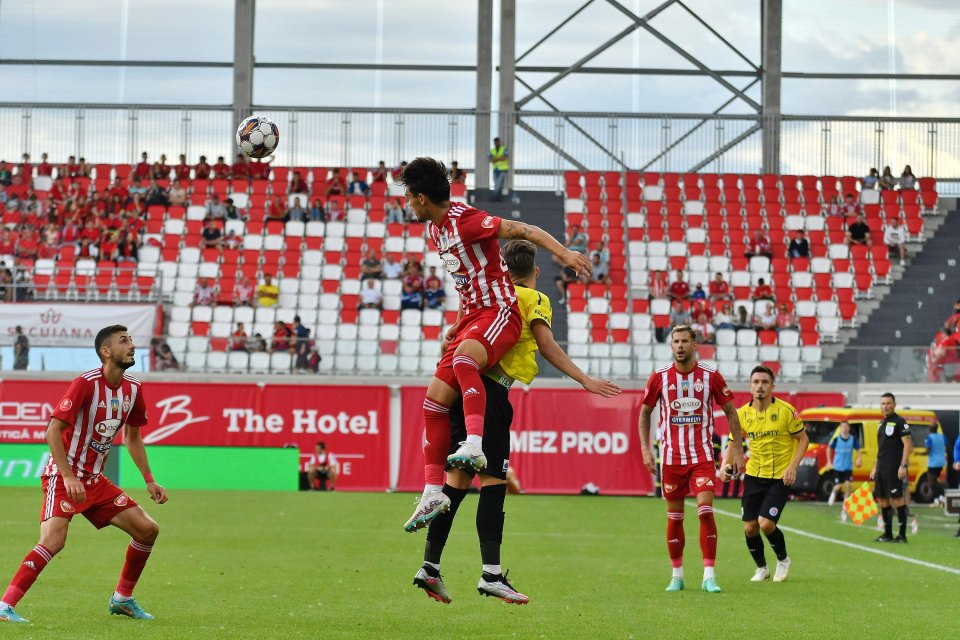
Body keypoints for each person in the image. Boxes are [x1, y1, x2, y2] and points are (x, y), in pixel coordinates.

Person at [413, 239, 620, 604]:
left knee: (456, 485)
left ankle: (429, 566)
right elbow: (546, 344)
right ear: (536, 272)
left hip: (463, 391)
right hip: (491, 394)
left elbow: (457, 338)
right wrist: (584, 379)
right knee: (494, 483)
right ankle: (491, 574)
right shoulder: (531, 299)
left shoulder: (486, 297)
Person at [398, 157, 590, 532]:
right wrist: (455, 325)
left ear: (422, 198)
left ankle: (473, 443)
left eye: (408, 196)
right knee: (433, 402)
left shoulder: (465, 219)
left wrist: (564, 253)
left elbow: (526, 229)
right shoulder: (437, 232)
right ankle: (432, 490)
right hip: (473, 314)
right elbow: (465, 282)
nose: (406, 203)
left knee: (465, 361)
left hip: (499, 308)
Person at [0, 325, 168, 624]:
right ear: (106, 351)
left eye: (130, 340)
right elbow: (53, 431)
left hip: (95, 482)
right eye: (123, 341)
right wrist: (68, 476)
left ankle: (122, 599)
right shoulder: (85, 383)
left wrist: (149, 478)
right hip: (63, 477)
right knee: (54, 540)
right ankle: (4, 606)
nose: (132, 345)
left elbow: (132, 437)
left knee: (147, 529)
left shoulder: (133, 388)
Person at [638, 326, 745, 593]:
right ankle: (677, 575)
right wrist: (645, 449)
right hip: (672, 458)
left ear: (695, 344)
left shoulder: (711, 376)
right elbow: (644, 413)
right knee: (674, 518)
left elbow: (732, 413)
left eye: (685, 341)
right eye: (676, 341)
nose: (680, 346)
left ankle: (709, 574)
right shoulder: (660, 377)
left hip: (702, 457)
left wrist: (740, 451)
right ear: (671, 345)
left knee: (705, 511)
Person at [728, 366, 808, 583]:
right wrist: (726, 465)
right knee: (750, 527)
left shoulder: (785, 411)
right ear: (749, 386)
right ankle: (762, 568)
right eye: (756, 382)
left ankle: (783, 560)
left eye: (764, 382)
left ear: (772, 386)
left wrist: (793, 466)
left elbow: (803, 439)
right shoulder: (742, 414)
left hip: (780, 476)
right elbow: (733, 441)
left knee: (766, 523)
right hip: (754, 475)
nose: (760, 386)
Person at [870, 393, 913, 543]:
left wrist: (903, 465)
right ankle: (887, 534)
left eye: (888, 403)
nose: (885, 406)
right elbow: (881, 448)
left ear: (894, 404)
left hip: (894, 467)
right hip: (881, 468)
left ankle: (902, 535)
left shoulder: (900, 422)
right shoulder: (881, 424)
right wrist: (875, 467)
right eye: (883, 403)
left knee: (897, 500)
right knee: (882, 500)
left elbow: (908, 444)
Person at [826, 421, 862, 512]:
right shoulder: (837, 439)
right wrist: (829, 462)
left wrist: (858, 459)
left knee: (848, 485)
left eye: (846, 426)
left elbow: (858, 449)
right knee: (838, 486)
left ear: (848, 428)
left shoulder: (852, 439)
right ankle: (833, 492)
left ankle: (846, 503)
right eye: (843, 427)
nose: (844, 428)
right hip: (838, 467)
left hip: (848, 467)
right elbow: (829, 448)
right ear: (840, 428)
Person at [924, 424, 945, 506]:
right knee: (935, 480)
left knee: (931, 481)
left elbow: (928, 451)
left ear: (930, 429)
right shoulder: (942, 437)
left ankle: (939, 498)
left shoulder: (929, 438)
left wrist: (919, 453)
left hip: (933, 463)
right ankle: (938, 499)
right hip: (941, 462)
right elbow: (947, 447)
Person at [488, 137, 510, 202]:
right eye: (495, 142)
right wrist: (499, 158)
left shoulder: (504, 149)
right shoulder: (492, 150)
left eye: (497, 142)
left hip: (503, 170)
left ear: (499, 142)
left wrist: (495, 159)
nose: (496, 143)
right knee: (497, 184)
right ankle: (498, 198)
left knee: (498, 183)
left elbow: (505, 157)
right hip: (495, 169)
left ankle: (495, 197)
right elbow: (490, 159)